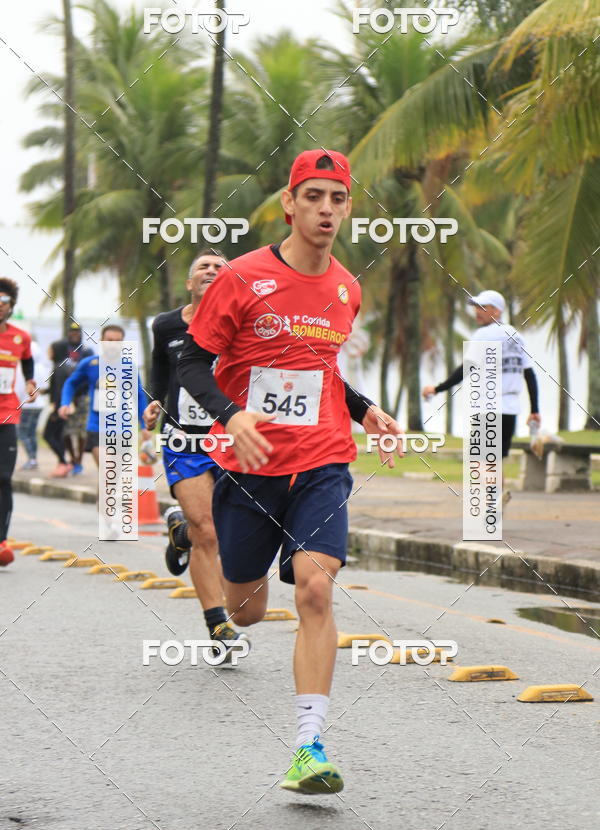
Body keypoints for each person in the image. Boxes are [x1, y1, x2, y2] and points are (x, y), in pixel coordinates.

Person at [177, 150, 403, 794]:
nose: (327, 209)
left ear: (349, 207)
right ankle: (186, 527)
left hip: (324, 459)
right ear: (289, 203)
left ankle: (309, 744)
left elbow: (322, 369)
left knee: (315, 590)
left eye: (339, 198)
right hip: (250, 467)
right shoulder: (243, 278)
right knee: (246, 611)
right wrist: (232, 414)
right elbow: (193, 363)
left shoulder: (345, 289)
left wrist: (365, 410)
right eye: (314, 197)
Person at [143, 249, 249, 655]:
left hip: (232, 438)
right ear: (190, 283)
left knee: (222, 529)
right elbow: (161, 370)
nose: (211, 270)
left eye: (220, 267)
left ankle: (179, 531)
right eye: (202, 266)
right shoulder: (166, 325)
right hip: (182, 440)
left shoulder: (243, 324)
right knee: (207, 530)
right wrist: (154, 400)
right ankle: (218, 625)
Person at [422, 289, 540, 500]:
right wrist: (535, 410)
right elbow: (529, 374)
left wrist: (437, 388)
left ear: (497, 310)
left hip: (488, 407)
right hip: (510, 408)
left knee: (482, 460)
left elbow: (465, 368)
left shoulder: (484, 335)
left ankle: (490, 504)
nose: (477, 311)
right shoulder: (516, 336)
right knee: (496, 460)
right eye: (476, 307)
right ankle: (497, 498)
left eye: (483, 307)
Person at [59, 324, 148, 468]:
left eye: (118, 341)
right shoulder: (90, 364)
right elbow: (71, 383)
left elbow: (138, 396)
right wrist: (65, 403)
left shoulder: (129, 367)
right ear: (101, 341)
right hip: (97, 428)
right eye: (109, 340)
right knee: (108, 470)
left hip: (122, 429)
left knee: (112, 480)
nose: (113, 345)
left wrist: (144, 426)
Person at [0, 278, 37, 566]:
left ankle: (1, 540)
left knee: (3, 478)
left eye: (4, 303)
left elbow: (27, 360)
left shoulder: (20, 337)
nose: (0, 307)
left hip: (6, 413)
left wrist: (30, 381)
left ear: (11, 307)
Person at [44, 322, 93, 477]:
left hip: (82, 397)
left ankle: (77, 461)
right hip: (65, 399)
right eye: (71, 332)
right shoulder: (62, 351)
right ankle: (70, 460)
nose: (74, 334)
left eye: (77, 332)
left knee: (80, 432)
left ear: (81, 333)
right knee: (65, 432)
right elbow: (58, 383)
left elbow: (89, 376)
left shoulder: (86, 351)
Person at [16, 338, 48, 469]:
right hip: (39, 405)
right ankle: (33, 457)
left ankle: (32, 459)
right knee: (32, 433)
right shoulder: (41, 367)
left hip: (27, 405)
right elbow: (45, 387)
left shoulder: (24, 368)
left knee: (22, 433)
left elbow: (18, 388)